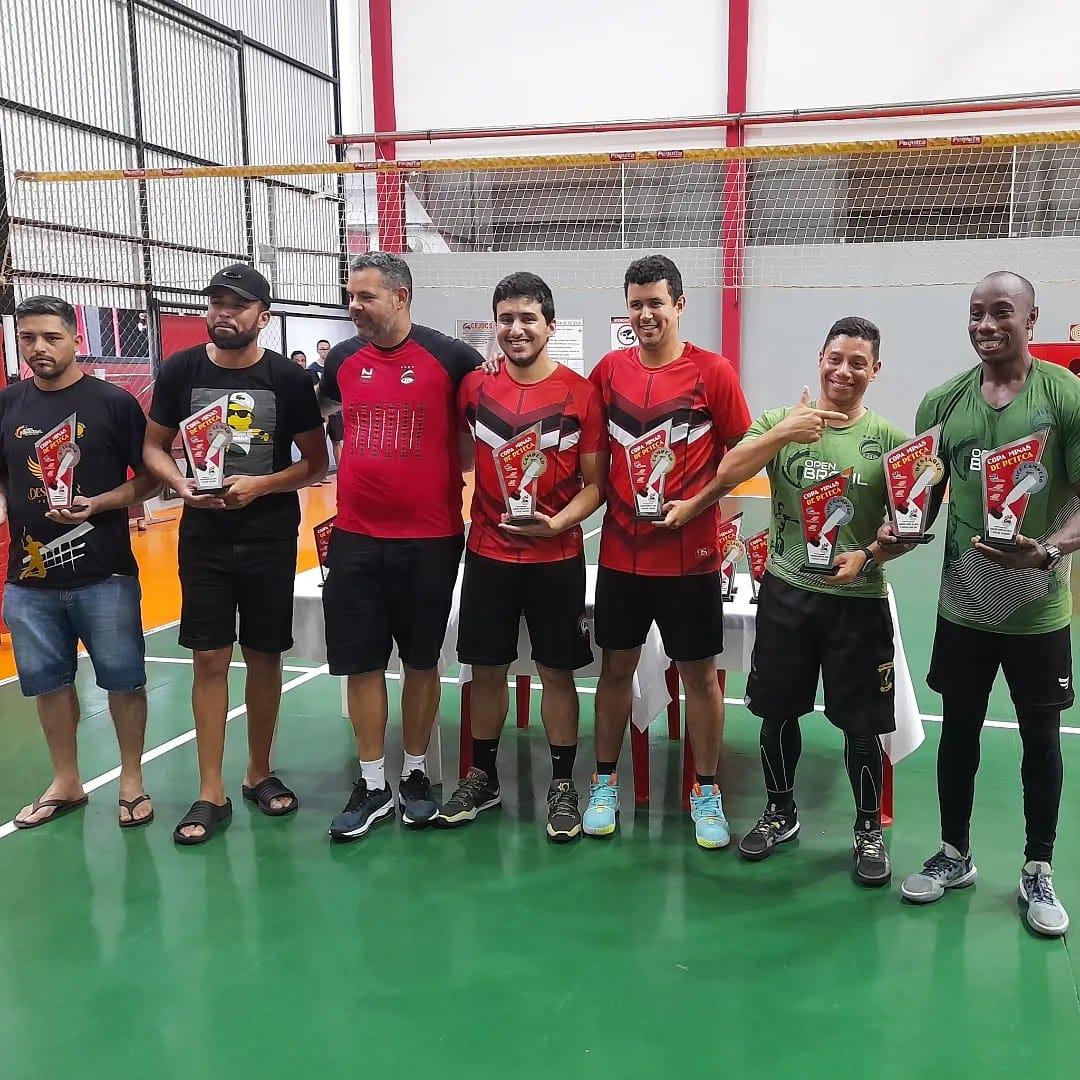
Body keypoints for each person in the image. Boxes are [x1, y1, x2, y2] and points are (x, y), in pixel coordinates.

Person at [896, 272, 1080, 936]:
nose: (985, 325)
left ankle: (1037, 867)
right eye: (975, 314)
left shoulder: (1066, 397)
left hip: (1037, 608)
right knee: (960, 732)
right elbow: (925, 492)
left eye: (1001, 312)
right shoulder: (942, 402)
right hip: (963, 603)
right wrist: (905, 525)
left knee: (1040, 741)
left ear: (1033, 317)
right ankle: (954, 854)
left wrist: (1050, 550)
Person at [710, 317, 908, 886]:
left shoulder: (890, 442)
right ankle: (780, 812)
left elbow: (909, 524)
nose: (844, 370)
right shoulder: (780, 422)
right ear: (820, 358)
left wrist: (869, 555)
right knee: (776, 712)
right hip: (787, 594)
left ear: (876, 370)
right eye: (835, 358)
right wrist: (782, 434)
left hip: (857, 598)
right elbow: (727, 473)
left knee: (863, 726)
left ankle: (868, 827)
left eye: (858, 362)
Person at [143, 265, 327, 845]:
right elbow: (153, 446)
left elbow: (314, 465)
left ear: (262, 318)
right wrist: (180, 482)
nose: (224, 313)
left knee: (265, 655)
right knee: (209, 659)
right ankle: (209, 791)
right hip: (204, 540)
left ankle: (258, 772)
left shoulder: (287, 381)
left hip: (270, 537)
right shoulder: (180, 371)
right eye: (216, 303)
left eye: (238, 305)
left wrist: (261, 485)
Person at [583, 255, 751, 848]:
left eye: (656, 302)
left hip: (692, 558)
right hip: (621, 558)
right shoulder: (607, 372)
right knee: (614, 671)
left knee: (701, 677)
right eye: (635, 304)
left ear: (680, 305)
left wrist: (697, 502)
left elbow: (742, 456)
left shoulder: (714, 373)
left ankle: (706, 791)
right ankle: (604, 783)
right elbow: (594, 463)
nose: (645, 314)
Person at [436, 272, 606, 842]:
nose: (516, 329)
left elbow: (596, 486)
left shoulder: (581, 394)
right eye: (505, 319)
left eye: (528, 318)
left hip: (555, 556)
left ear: (550, 325)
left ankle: (562, 785)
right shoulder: (474, 389)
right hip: (486, 554)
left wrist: (555, 524)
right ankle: (482, 777)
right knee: (486, 671)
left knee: (557, 673)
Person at [320, 253, 482, 842]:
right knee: (360, 664)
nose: (354, 307)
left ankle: (415, 775)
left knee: (421, 661)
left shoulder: (452, 358)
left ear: (402, 296)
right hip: (356, 538)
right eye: (351, 296)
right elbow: (321, 421)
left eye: (366, 296)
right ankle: (371, 783)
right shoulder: (340, 361)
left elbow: (476, 440)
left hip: (431, 539)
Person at [1, 295, 160, 829]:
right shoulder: (7, 405)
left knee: (123, 680)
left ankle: (132, 780)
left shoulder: (112, 403)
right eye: (29, 338)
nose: (39, 348)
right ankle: (66, 782)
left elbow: (150, 478)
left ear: (76, 340)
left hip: (104, 573)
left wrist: (99, 504)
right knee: (47, 683)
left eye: (51, 337)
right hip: (29, 577)